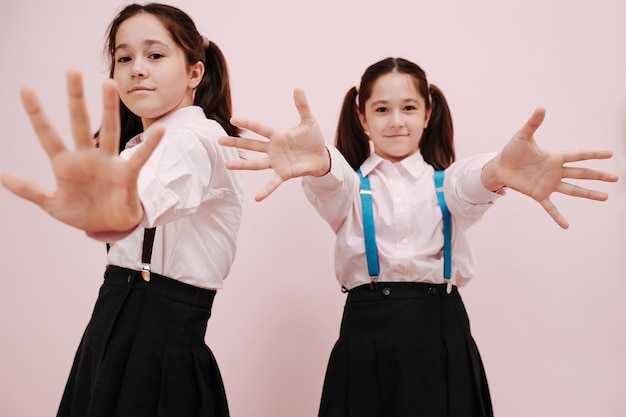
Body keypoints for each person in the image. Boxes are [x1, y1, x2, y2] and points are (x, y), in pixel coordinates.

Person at [218, 57, 619, 417]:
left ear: (428, 113)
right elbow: (331, 178)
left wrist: (499, 171)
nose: (396, 120)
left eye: (409, 108)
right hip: (367, 332)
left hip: (441, 330)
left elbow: (474, 182)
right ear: (362, 118)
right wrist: (320, 160)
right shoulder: (348, 190)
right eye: (382, 109)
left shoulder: (447, 183)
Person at [2, 3, 241, 417]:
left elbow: (162, 185)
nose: (137, 69)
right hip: (108, 329)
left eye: (155, 55)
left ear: (194, 73)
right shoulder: (130, 153)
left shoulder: (199, 138)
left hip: (159, 350)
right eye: (124, 58)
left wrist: (125, 209)